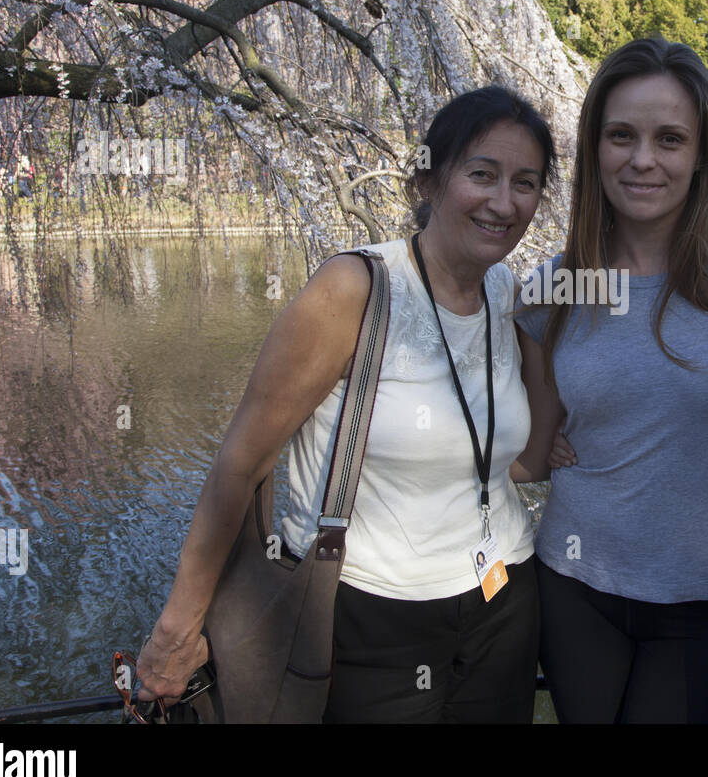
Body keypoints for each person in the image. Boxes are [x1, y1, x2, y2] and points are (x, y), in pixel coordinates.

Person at [136, 86, 555, 723]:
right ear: (429, 182)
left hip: (504, 603)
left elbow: (512, 458)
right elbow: (238, 466)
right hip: (369, 615)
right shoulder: (355, 289)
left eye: (525, 183)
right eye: (482, 175)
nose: (504, 202)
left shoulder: (508, 294)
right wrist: (176, 632)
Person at [510, 36, 708, 723]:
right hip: (574, 588)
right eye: (621, 136)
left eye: (669, 139)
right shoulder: (551, 290)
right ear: (594, 150)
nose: (642, 160)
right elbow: (534, 447)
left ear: (701, 156)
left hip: (705, 600)